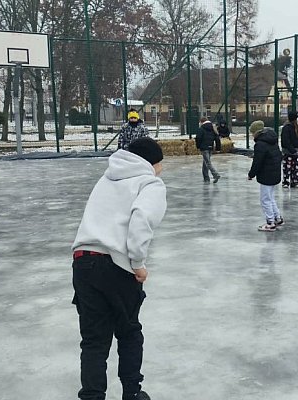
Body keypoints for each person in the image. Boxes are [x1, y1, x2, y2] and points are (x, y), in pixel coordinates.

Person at [71, 137, 167, 400]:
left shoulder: (107, 178)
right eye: (160, 164)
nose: (161, 169)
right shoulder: (150, 183)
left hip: (82, 261)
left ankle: (92, 396)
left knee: (94, 339)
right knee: (128, 331)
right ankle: (132, 393)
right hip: (115, 265)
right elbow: (141, 221)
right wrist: (138, 264)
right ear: (152, 163)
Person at [247, 120, 284, 232]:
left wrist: (251, 174)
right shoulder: (272, 140)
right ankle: (277, 218)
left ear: (257, 132)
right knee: (270, 197)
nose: (252, 135)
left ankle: (270, 222)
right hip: (274, 173)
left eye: (252, 133)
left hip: (266, 175)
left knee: (265, 199)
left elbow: (257, 162)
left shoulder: (260, 144)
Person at [280, 111, 298, 188]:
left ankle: (293, 181)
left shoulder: (296, 128)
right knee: (288, 167)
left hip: (295, 152)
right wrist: (293, 150)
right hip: (289, 152)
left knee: (294, 168)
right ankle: (287, 182)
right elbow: (286, 141)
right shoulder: (287, 128)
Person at [195, 117, 222, 183]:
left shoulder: (201, 129)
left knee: (207, 163)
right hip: (210, 147)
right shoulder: (213, 128)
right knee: (205, 163)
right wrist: (218, 148)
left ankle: (215, 174)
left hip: (204, 148)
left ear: (201, 122)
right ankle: (206, 178)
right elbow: (217, 139)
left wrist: (198, 146)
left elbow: (198, 138)